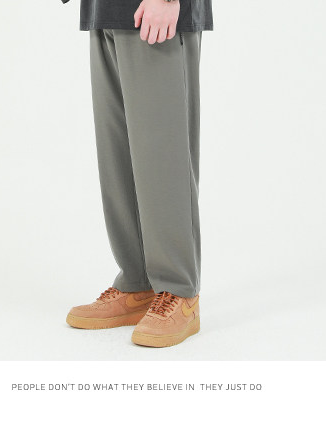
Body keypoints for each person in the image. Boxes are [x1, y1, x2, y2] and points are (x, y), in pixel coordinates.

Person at [62, 0, 213, 347]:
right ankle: (138, 284)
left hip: (157, 10)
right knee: (118, 158)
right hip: (105, 9)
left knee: (163, 157)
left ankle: (179, 291)